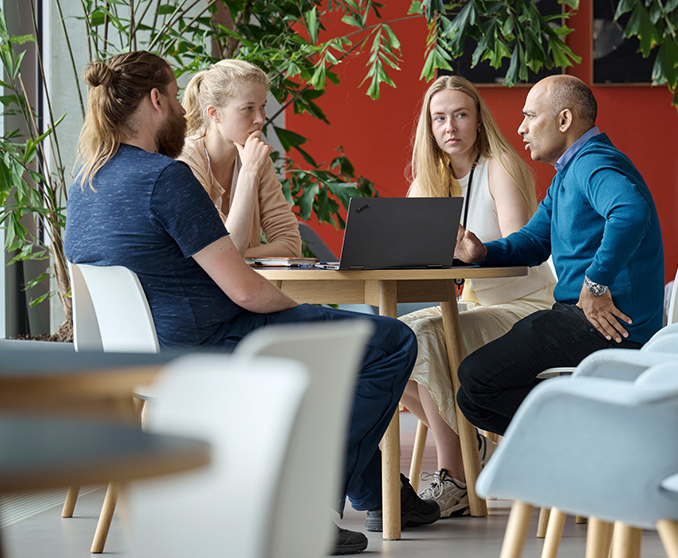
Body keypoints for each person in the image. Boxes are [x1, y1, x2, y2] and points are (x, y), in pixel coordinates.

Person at [63, 51, 438, 555]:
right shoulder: (165, 177)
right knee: (390, 341)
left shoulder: (84, 183)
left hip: (143, 357)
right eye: (175, 98)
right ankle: (309, 511)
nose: (180, 109)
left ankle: (375, 491)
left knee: (339, 351)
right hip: (212, 342)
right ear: (156, 100)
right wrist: (313, 313)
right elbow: (244, 289)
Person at [454, 74, 665, 435]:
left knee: (475, 379)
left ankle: (597, 431)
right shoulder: (569, 173)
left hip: (609, 325)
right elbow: (534, 242)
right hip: (582, 319)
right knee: (472, 392)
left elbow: (630, 211)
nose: (521, 128)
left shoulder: (592, 163)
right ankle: (588, 438)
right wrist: (481, 252)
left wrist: (596, 284)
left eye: (530, 116)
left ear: (564, 120)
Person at [398, 76, 556, 517]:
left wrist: (466, 255)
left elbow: (517, 250)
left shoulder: (499, 165)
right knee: (392, 342)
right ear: (429, 128)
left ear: (479, 121)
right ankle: (474, 451)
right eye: (440, 118)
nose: (451, 126)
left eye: (461, 114)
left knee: (428, 336)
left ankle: (458, 477)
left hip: (526, 304)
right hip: (475, 305)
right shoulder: (428, 181)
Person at [177, 59, 301, 257]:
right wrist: (249, 172)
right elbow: (226, 254)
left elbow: (290, 246)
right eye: (248, 109)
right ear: (214, 114)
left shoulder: (254, 157)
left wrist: (238, 255)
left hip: (238, 284)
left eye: (262, 106)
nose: (260, 119)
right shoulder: (184, 161)